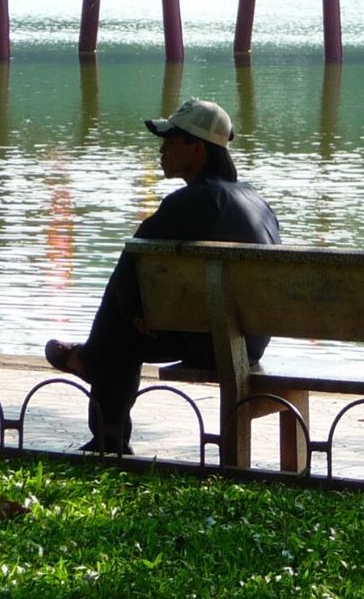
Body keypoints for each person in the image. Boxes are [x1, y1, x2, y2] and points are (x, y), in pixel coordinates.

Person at [44, 98, 281, 454]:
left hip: (211, 342)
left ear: (197, 149)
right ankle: (94, 360)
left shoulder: (191, 201)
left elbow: (133, 258)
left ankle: (106, 426)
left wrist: (134, 310)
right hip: (250, 342)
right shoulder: (259, 202)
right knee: (126, 318)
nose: (163, 148)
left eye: (172, 140)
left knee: (119, 327)